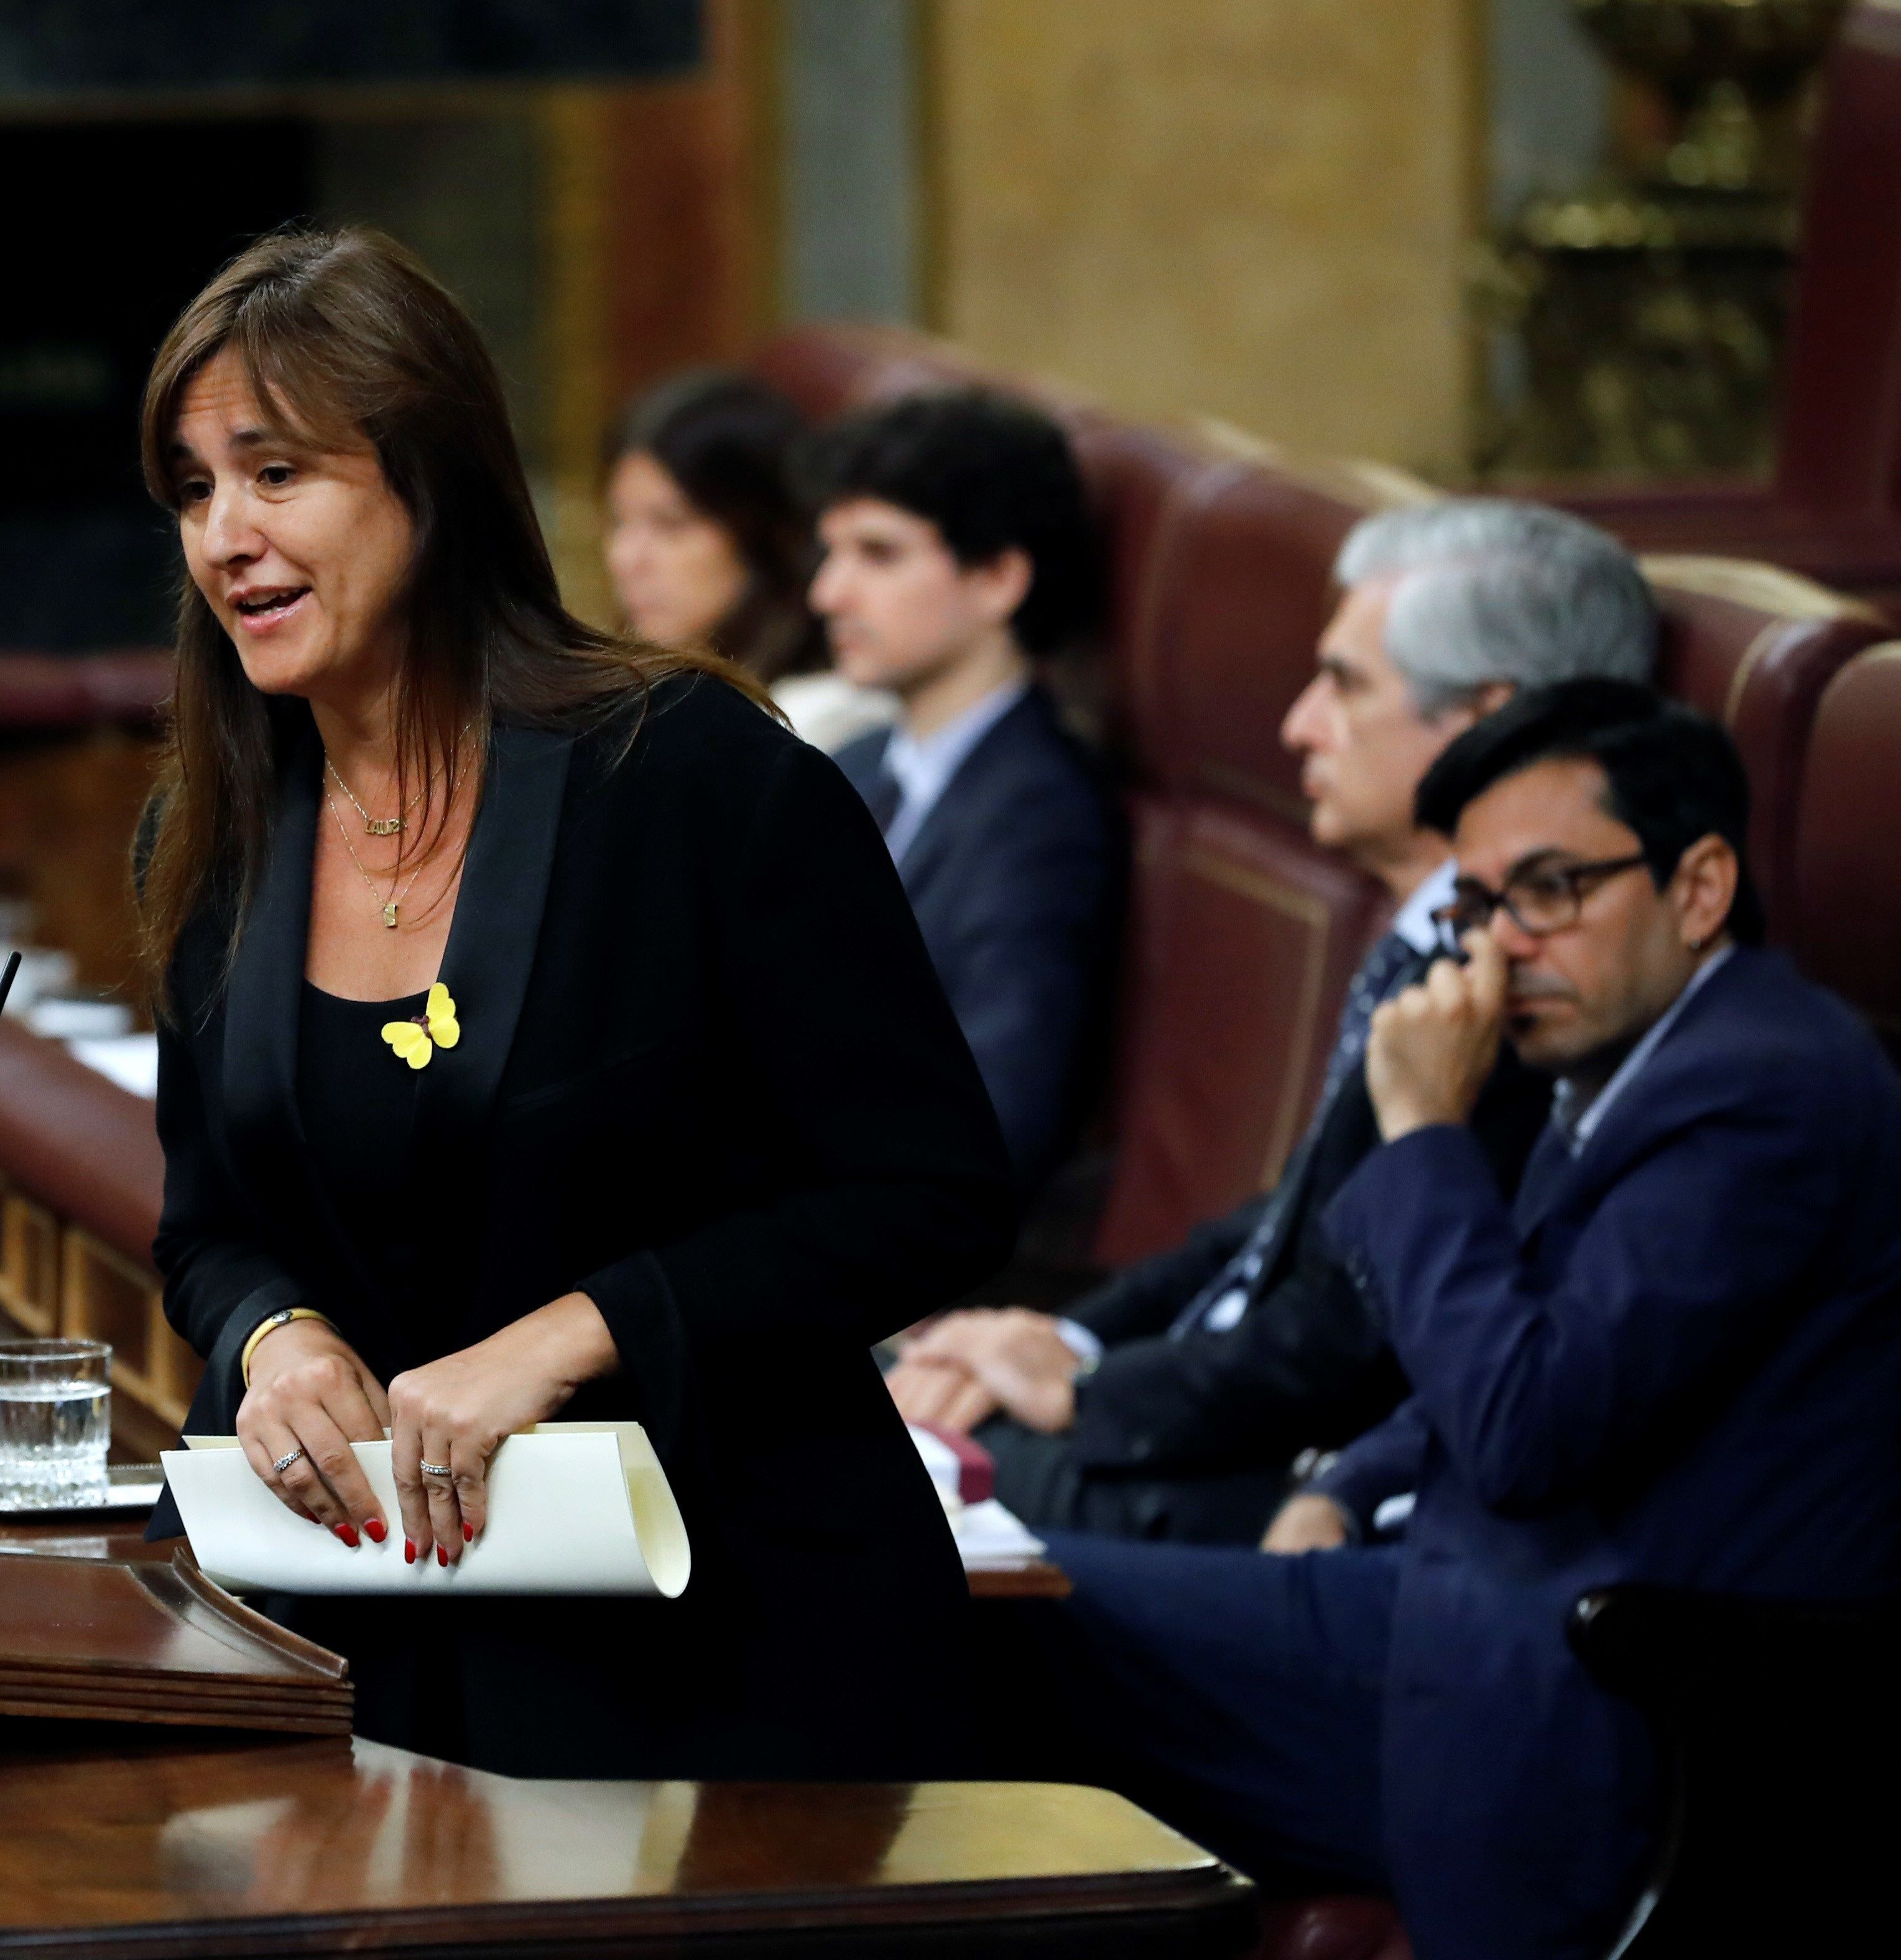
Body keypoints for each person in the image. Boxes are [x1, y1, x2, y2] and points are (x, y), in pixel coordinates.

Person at [132, 226, 1016, 1781]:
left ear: (429, 476)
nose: (227, 538)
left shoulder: (688, 777)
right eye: (195, 491)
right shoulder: (211, 829)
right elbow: (206, 1224)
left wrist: (573, 1334)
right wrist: (273, 1336)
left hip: (722, 1647)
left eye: (277, 474)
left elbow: (930, 1196)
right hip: (369, 1647)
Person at [1037, 682, 1901, 1960]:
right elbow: (1536, 1343)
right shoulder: (1641, 1055)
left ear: (1699, 886)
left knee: (975, 1638)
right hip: (1448, 1605)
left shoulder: (1759, 1097)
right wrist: (1355, 1475)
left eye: (1549, 891)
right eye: (1481, 904)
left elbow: (1525, 1424)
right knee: (961, 1612)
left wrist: (1426, 1129)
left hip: (1602, 1703)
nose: (1501, 951)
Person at [892, 500, 1653, 1543]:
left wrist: (1092, 1393)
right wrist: (1060, 1336)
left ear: (1484, 720)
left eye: (1344, 685)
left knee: (824, 1453)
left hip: (1266, 1482)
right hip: (1184, 1406)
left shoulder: (1524, 984)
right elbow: (1277, 1226)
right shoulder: (1420, 930)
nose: (1298, 724)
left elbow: (1356, 1335)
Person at [806, 391, 1121, 1191]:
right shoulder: (862, 758)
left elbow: (998, 1113)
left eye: (878, 554)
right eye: (830, 552)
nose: (828, 593)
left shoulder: (1040, 815)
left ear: (998, 577)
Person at [603, 369, 897, 752]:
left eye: (670, 526)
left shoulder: (831, 722)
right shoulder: (639, 705)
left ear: (763, 531)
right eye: (618, 522)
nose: (625, 559)